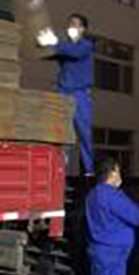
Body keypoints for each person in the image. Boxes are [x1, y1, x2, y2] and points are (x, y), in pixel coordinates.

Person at [38, 14, 95, 175]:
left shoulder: (86, 45)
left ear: (83, 29)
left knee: (84, 133)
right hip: (63, 92)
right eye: (70, 23)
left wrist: (54, 42)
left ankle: (89, 170)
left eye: (75, 24)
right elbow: (49, 53)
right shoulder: (65, 47)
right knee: (62, 132)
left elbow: (74, 52)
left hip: (80, 93)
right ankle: (60, 170)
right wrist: (42, 41)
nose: (71, 27)